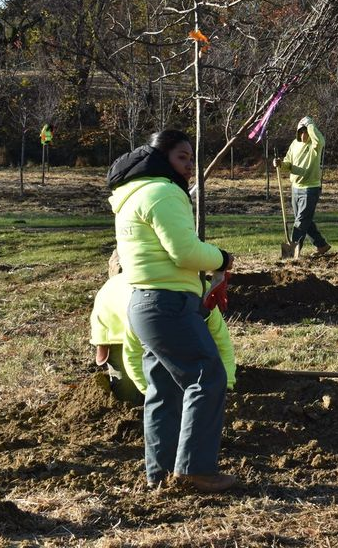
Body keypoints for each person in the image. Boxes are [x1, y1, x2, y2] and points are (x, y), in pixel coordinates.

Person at [107, 129, 237, 493]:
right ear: (161, 158)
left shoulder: (133, 195)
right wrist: (222, 259)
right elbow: (185, 252)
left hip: (145, 303)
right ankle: (195, 469)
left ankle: (161, 475)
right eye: (183, 157)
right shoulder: (163, 193)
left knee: (163, 389)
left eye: (192, 158)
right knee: (206, 377)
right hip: (169, 303)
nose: (190, 165)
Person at [90, 272, 236, 407]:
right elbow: (132, 356)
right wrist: (152, 395)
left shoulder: (205, 297)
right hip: (112, 316)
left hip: (157, 313)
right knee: (127, 393)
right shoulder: (146, 312)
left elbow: (222, 344)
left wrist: (227, 386)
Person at [275, 116, 330, 257]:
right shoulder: (294, 144)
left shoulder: (314, 146)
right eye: (301, 132)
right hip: (296, 187)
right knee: (305, 220)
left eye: (306, 131)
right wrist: (280, 164)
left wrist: (310, 125)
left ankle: (293, 250)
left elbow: (321, 141)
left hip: (310, 189)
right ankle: (321, 245)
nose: (304, 134)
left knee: (301, 221)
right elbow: (288, 163)